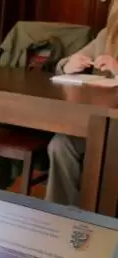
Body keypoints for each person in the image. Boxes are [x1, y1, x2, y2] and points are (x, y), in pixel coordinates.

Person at [47, 8, 118, 205]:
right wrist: (69, 65)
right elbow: (65, 63)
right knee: (61, 145)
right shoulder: (107, 35)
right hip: (98, 122)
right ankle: (61, 213)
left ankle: (99, 214)